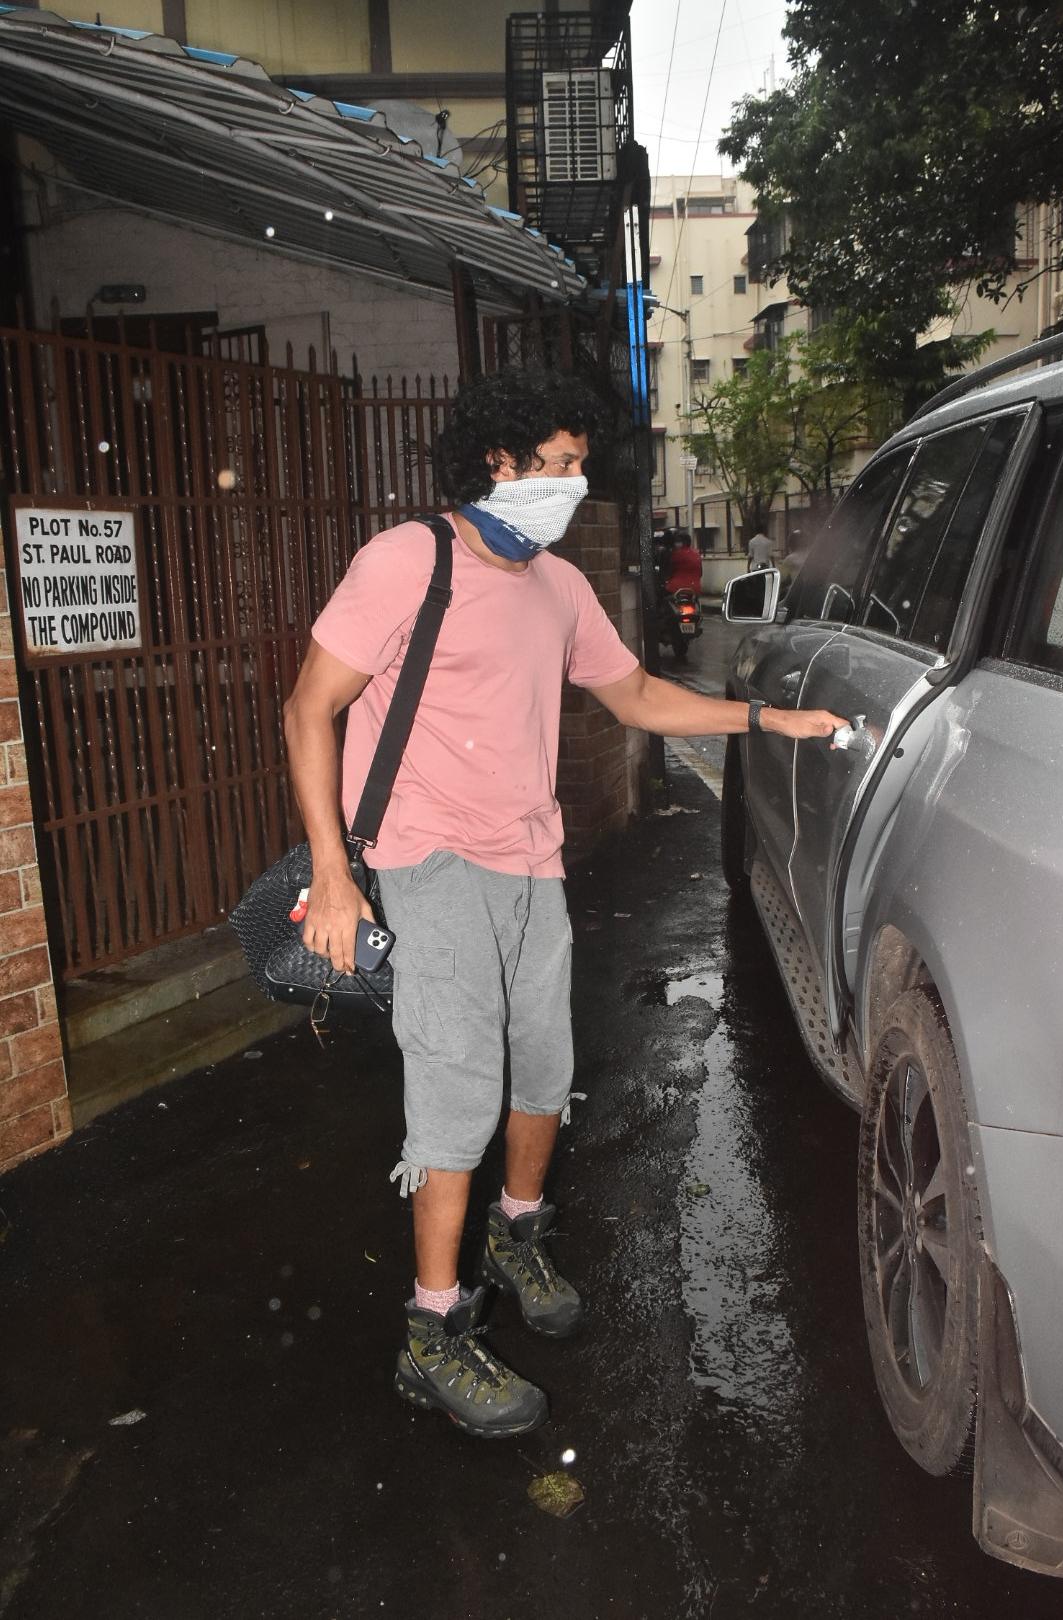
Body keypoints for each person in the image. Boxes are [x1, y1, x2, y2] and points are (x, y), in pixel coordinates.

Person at [283, 370, 845, 1440]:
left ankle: (518, 1235)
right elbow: (309, 709)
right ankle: (433, 1331)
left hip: (531, 863)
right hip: (426, 857)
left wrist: (767, 719)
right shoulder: (410, 560)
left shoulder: (557, 584)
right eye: (555, 465)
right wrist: (336, 870)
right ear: (495, 462)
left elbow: (634, 696)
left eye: (581, 465)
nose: (572, 485)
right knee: (456, 1090)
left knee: (543, 1071)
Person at [661, 529, 702, 596]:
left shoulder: (674, 555)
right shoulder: (696, 554)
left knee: (661, 597)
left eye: (678, 541)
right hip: (695, 589)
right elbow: (700, 573)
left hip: (675, 588)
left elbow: (668, 572)